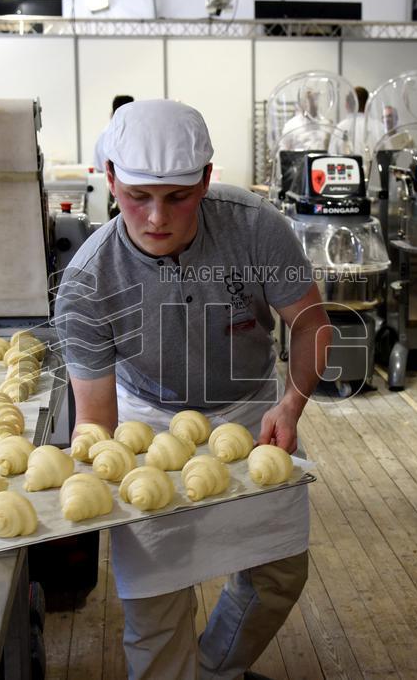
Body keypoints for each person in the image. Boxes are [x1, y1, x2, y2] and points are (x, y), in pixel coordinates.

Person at [55, 99, 331, 679]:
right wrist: (90, 471)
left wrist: (291, 404)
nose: (157, 217)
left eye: (177, 197)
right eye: (137, 195)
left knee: (279, 574)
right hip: (146, 424)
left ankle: (213, 670)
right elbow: (97, 420)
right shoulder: (87, 281)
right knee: (155, 603)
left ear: (206, 179)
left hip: (252, 414)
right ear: (109, 179)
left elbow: (310, 325)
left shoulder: (255, 228)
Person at [329, 85, 369, 155]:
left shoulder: (340, 128)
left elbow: (331, 156)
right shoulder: (379, 127)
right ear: (367, 104)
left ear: (347, 104)